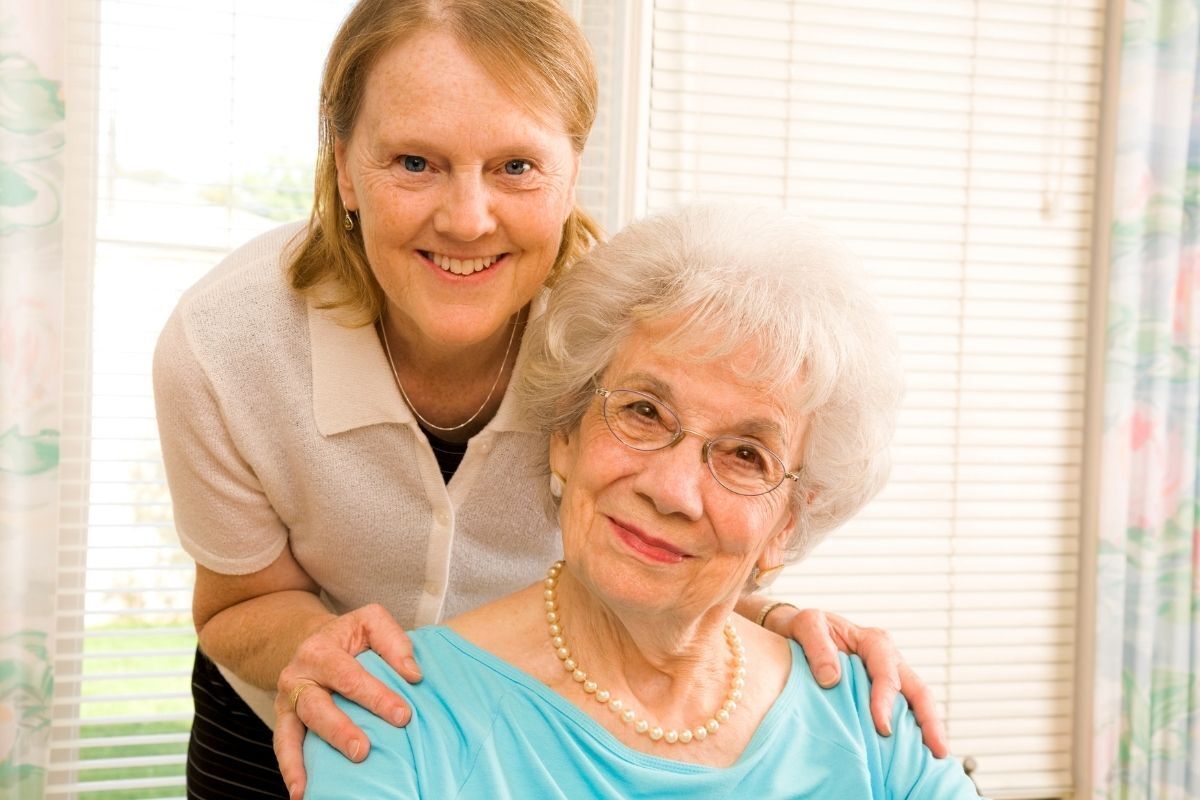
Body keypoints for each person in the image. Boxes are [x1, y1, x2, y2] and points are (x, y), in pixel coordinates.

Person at [152, 2, 944, 799]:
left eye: (517, 167)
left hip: (539, 732)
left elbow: (680, 526)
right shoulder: (225, 345)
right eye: (415, 163)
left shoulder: (622, 340)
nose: (467, 219)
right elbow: (236, 606)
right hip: (297, 719)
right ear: (343, 161)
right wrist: (338, 658)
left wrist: (776, 626)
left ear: (572, 166)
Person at [302, 205, 980, 798]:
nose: (673, 489)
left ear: (789, 522)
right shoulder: (393, 712)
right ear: (565, 431)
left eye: (747, 455)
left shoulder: (869, 713)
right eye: (645, 412)